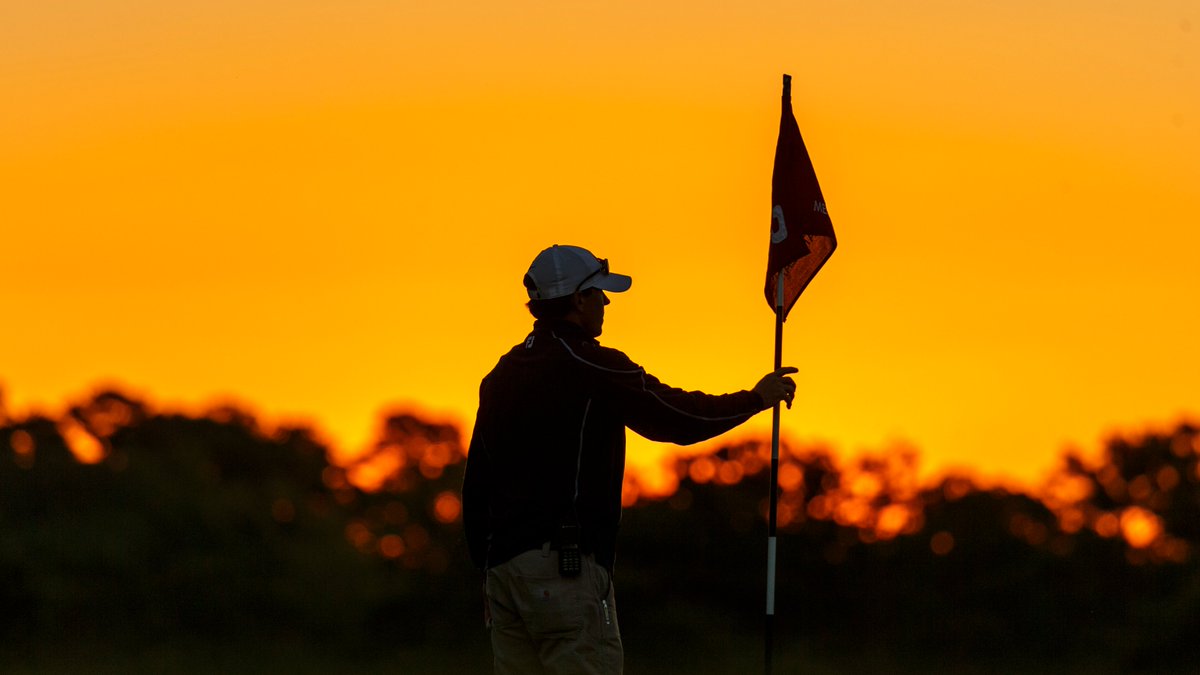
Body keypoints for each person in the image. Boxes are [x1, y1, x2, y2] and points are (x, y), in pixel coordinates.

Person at [461, 244, 797, 674]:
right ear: (577, 301)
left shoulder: (500, 375)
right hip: (564, 568)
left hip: (502, 574)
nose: (605, 303)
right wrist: (753, 400)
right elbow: (675, 418)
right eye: (599, 293)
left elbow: (477, 481)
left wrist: (487, 569)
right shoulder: (592, 363)